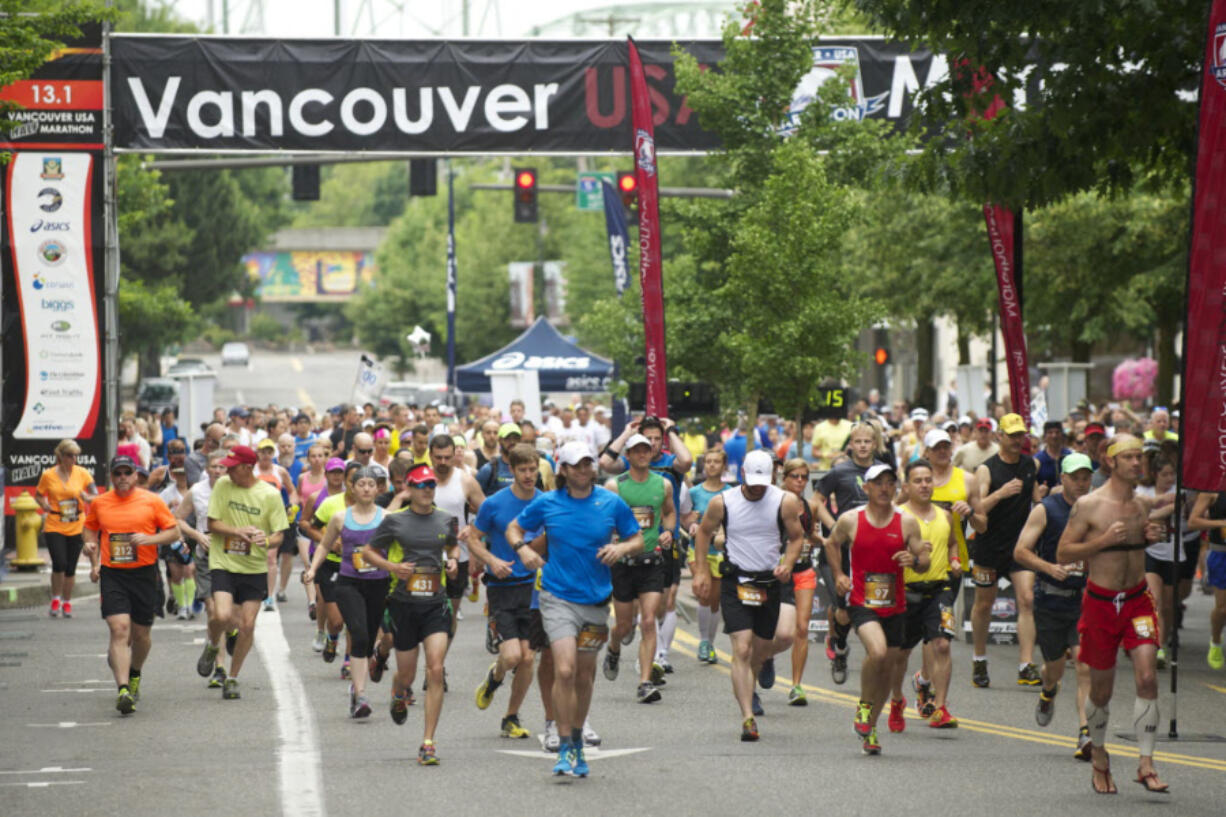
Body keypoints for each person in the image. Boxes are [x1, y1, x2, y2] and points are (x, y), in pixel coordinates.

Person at [506, 441, 645, 777]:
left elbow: (637, 538)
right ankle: (564, 741)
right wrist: (522, 550)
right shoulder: (548, 503)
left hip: (596, 600)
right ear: (563, 470)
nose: (583, 470)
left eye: (587, 463)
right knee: (564, 670)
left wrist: (622, 548)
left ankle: (578, 738)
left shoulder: (610, 502)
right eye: (576, 465)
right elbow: (514, 528)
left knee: (584, 675)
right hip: (557, 597)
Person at [1056, 434, 1168, 794]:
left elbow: (1140, 541)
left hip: (1137, 600)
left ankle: (1146, 762)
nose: (1138, 463)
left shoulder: (1142, 505)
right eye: (1130, 457)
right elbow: (1064, 552)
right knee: (1101, 692)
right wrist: (1101, 542)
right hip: (1101, 604)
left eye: (1141, 457)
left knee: (1148, 676)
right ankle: (1100, 757)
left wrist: (1151, 537)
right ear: (1111, 462)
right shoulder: (1089, 505)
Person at [692, 449, 805, 742]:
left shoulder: (784, 501)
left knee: (763, 646)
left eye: (762, 481)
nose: (757, 487)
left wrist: (788, 564)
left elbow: (796, 538)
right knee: (741, 649)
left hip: (769, 581)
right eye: (752, 480)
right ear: (742, 474)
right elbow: (703, 533)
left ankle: (759, 670)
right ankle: (747, 717)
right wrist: (702, 571)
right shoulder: (723, 502)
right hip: (736, 580)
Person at [825, 463, 929, 755]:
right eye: (878, 483)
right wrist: (839, 576)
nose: (885, 488)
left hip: (895, 606)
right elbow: (831, 544)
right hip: (862, 602)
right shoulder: (850, 519)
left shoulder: (907, 522)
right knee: (878, 653)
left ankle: (870, 728)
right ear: (866, 488)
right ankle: (863, 706)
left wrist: (915, 561)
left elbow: (923, 561)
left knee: (886, 671)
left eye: (890, 482)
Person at [363, 464, 460, 765]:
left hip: (435, 604)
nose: (427, 490)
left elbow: (453, 547)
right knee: (407, 675)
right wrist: (394, 568)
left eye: (431, 485)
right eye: (421, 485)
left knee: (435, 668)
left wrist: (454, 562)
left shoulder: (446, 519)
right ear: (409, 488)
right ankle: (397, 691)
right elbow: (368, 553)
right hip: (404, 606)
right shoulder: (395, 522)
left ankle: (428, 741)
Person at [83, 455, 181, 714]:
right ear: (112, 477)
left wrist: (149, 540)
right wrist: (90, 547)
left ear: (136, 476)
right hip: (113, 574)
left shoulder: (152, 501)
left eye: (128, 472)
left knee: (141, 635)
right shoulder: (101, 503)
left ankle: (135, 672)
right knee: (119, 629)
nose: (123, 477)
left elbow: (174, 532)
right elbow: (90, 529)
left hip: (144, 574)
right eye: (118, 473)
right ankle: (123, 689)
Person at [1014, 452, 1095, 758]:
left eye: (1086, 477)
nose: (1081, 483)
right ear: (1063, 479)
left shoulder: (1098, 510)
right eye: (1075, 477)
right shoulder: (1046, 509)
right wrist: (1049, 568)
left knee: (1085, 665)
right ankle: (1048, 691)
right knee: (1055, 670)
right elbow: (1020, 551)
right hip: (1050, 599)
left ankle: (1085, 734)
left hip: (1084, 601)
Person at [468, 443, 543, 739]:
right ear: (511, 470)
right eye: (522, 470)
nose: (528, 475)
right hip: (501, 588)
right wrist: (491, 560)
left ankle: (510, 716)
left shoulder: (545, 502)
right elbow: (473, 538)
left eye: (532, 469)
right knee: (512, 657)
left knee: (527, 658)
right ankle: (495, 677)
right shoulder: (494, 504)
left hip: (535, 590)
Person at [206, 445, 288, 700]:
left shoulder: (269, 494)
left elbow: (279, 535)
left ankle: (232, 677)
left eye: (232, 467)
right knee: (221, 614)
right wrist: (237, 532)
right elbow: (212, 523)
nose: (227, 471)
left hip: (253, 567)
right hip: (224, 562)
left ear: (246, 467)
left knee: (247, 624)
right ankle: (212, 645)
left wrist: (266, 540)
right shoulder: (222, 486)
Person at [305, 467, 386, 719]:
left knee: (370, 639)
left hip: (378, 583)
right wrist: (312, 570)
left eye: (370, 484)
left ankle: (356, 687)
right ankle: (361, 694)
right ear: (352, 487)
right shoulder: (340, 517)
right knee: (359, 634)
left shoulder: (387, 518)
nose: (365, 488)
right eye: (360, 483)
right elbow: (324, 545)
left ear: (377, 489)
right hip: (349, 582)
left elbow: (400, 548)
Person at [886, 458, 960, 730]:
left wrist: (954, 560)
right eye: (918, 481)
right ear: (906, 485)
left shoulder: (945, 514)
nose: (924, 485)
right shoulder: (897, 516)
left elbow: (953, 543)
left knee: (942, 644)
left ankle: (940, 708)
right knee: (900, 654)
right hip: (906, 592)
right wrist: (909, 553)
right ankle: (896, 702)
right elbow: (884, 554)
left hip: (939, 588)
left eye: (928, 480)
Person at [603, 433, 676, 703]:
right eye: (637, 450)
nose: (643, 454)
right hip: (623, 564)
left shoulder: (663, 484)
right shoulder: (615, 486)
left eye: (647, 449)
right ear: (629, 455)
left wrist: (668, 531)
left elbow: (669, 512)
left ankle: (644, 682)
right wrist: (611, 540)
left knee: (648, 621)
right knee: (623, 626)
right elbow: (605, 521)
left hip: (651, 561)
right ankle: (613, 646)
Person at [971, 413, 1042, 688]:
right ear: (999, 436)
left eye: (1020, 435)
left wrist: (1047, 496)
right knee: (984, 605)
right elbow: (978, 509)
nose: (1016, 440)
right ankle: (979, 659)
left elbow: (1037, 500)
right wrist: (1001, 493)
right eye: (1011, 435)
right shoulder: (987, 470)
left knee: (1026, 600)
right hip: (989, 546)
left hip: (1020, 547)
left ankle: (1026, 665)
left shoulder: (1030, 465)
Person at [813, 422, 886, 684]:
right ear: (851, 445)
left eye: (868, 441)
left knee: (875, 607)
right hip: (841, 551)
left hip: (873, 550)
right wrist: (834, 526)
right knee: (842, 612)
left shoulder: (882, 472)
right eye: (858, 442)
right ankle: (840, 649)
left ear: (875, 444)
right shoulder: (839, 471)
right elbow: (816, 501)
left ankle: (875, 653)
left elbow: (896, 499)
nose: (863, 446)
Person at [756, 458, 822, 706]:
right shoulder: (775, 502)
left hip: (803, 570)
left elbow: (811, 533)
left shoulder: (810, 506)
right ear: (785, 478)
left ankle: (796, 685)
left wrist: (823, 541)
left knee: (801, 629)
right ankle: (765, 657)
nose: (800, 481)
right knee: (775, 629)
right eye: (795, 476)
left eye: (804, 477)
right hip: (778, 572)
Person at [180, 451, 229, 688]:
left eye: (222, 467)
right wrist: (197, 535)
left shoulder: (236, 490)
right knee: (213, 611)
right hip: (206, 557)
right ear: (206, 468)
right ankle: (219, 667)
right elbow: (176, 519)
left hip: (233, 557)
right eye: (214, 467)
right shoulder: (197, 491)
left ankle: (217, 641)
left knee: (230, 616)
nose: (218, 471)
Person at [428, 434, 486, 631]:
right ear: (430, 456)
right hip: (425, 555)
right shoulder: (421, 480)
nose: (443, 462)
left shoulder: (466, 481)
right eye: (438, 457)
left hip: (457, 556)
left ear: (454, 455)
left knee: (449, 614)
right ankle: (433, 660)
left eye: (447, 457)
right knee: (426, 613)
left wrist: (472, 528)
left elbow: (488, 512)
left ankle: (439, 659)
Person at [36, 439, 98, 618]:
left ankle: (67, 601)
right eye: (70, 455)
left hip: (77, 524)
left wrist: (87, 497)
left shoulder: (83, 473)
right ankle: (55, 598)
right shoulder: (48, 475)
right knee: (59, 563)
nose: (74, 459)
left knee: (70, 567)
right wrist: (45, 505)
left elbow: (96, 495)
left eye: (76, 456)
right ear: (61, 456)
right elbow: (39, 495)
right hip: (55, 523)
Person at [687, 449, 732, 664]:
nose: (712, 465)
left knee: (715, 599)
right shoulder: (694, 492)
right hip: (698, 550)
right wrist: (693, 524)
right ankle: (703, 641)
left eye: (717, 462)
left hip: (721, 551)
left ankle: (710, 642)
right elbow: (685, 518)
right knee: (703, 592)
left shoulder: (731, 492)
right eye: (708, 462)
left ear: (724, 466)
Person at [1187, 489, 1226, 670]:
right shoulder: (1212, 491)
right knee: (1223, 608)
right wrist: (1220, 523)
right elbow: (1193, 521)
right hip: (1221, 553)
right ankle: (1216, 640)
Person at [1035, 421, 1071, 491]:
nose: (1054, 436)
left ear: (1062, 435)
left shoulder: (1069, 456)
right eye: (1050, 432)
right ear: (1044, 436)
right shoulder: (1038, 459)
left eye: (1057, 432)